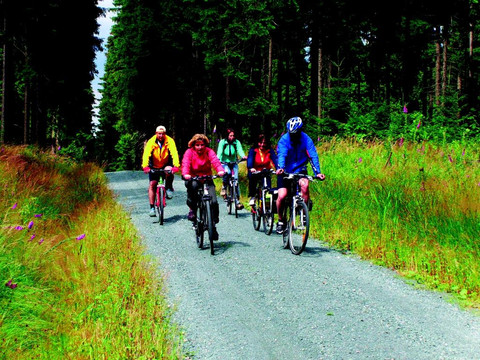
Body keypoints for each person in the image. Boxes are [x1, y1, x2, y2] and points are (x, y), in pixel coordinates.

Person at [275, 117, 325, 233]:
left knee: (305, 185)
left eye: (295, 133)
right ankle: (281, 220)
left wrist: (318, 173)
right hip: (285, 170)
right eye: (291, 133)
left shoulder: (306, 139)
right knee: (282, 195)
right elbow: (282, 154)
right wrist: (281, 167)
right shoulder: (284, 140)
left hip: (300, 169)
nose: (293, 136)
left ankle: (304, 212)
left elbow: (313, 155)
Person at [182, 134, 225, 240]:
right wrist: (186, 174)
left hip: (207, 178)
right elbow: (186, 163)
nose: (200, 147)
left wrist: (220, 170)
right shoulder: (189, 152)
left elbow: (215, 161)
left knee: (213, 201)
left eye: (202, 145)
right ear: (193, 145)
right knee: (193, 189)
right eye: (197, 145)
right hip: (194, 178)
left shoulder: (209, 151)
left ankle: (213, 224)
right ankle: (192, 209)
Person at [142, 125, 180, 217]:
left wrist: (176, 165)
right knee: (153, 184)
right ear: (156, 133)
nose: (161, 135)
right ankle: (152, 207)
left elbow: (174, 153)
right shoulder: (151, 141)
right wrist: (145, 166)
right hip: (154, 164)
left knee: (169, 172)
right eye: (159, 134)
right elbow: (146, 154)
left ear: (165, 134)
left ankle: (169, 187)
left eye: (162, 134)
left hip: (166, 163)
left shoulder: (170, 141)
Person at [216, 128, 247, 210]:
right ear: (227, 136)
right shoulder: (223, 142)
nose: (232, 137)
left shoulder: (236, 142)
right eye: (230, 136)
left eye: (233, 136)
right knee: (228, 173)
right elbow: (219, 152)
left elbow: (240, 150)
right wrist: (218, 159)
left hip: (234, 163)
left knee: (236, 181)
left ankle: (237, 202)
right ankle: (224, 187)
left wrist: (243, 156)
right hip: (224, 163)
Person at [247, 134, 278, 206]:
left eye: (264, 143)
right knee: (252, 180)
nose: (262, 145)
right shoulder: (253, 150)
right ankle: (253, 196)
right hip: (256, 171)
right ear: (257, 143)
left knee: (268, 189)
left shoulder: (269, 150)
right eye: (260, 143)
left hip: (266, 171)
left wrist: (278, 168)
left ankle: (268, 207)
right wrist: (251, 167)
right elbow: (250, 159)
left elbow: (275, 160)